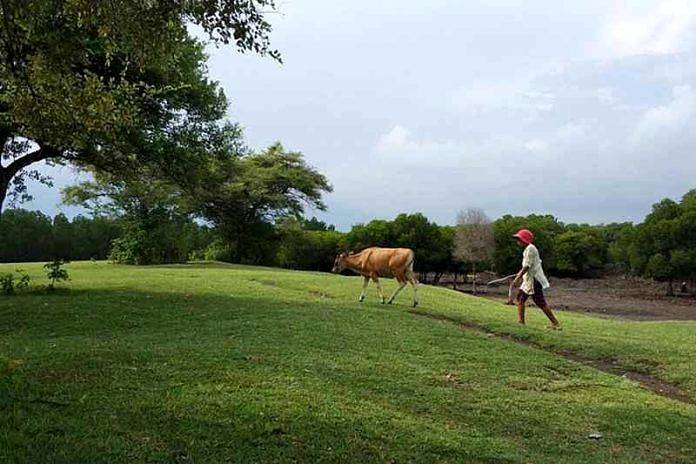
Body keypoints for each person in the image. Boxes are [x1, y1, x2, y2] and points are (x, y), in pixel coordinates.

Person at [511, 229, 561, 329]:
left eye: (519, 239)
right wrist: (520, 275)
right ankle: (521, 322)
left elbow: (527, 266)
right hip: (529, 279)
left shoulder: (530, 249)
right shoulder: (528, 249)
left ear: (524, 239)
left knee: (539, 301)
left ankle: (555, 323)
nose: (517, 241)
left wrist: (517, 278)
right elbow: (527, 266)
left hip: (534, 280)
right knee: (520, 298)